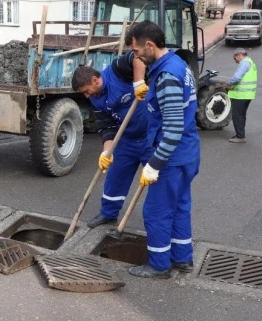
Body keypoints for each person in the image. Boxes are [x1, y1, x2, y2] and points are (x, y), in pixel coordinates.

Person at [124, 20, 201, 279]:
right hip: (187, 154)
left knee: (156, 212)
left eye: (136, 51)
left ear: (149, 45)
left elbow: (173, 129)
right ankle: (182, 259)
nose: (135, 56)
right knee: (179, 206)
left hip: (172, 159)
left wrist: (154, 165)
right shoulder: (177, 65)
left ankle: (159, 265)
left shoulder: (167, 76)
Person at [71, 52, 150, 228]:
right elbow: (106, 127)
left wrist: (138, 82)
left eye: (85, 91)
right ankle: (109, 214)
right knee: (115, 177)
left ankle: (159, 221)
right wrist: (107, 151)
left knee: (157, 179)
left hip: (150, 137)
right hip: (126, 139)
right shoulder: (95, 99)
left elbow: (138, 56)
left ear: (95, 80)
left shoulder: (118, 70)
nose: (86, 96)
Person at [226, 48, 257, 143]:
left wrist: (229, 83)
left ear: (239, 55)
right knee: (242, 115)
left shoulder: (244, 63)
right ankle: (240, 134)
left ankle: (240, 137)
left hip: (241, 95)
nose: (235, 61)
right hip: (248, 95)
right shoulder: (251, 62)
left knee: (237, 115)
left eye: (235, 58)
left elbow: (237, 77)